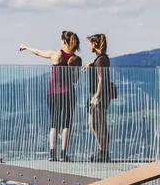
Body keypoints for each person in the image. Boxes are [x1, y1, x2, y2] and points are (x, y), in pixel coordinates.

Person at [19, 31, 82, 161]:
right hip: (68, 93)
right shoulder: (75, 59)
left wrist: (26, 47)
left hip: (53, 93)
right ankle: (64, 155)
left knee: (54, 123)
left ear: (64, 41)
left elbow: (38, 52)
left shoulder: (56, 53)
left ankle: (52, 154)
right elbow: (75, 79)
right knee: (66, 124)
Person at [86, 33, 112, 162]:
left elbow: (101, 79)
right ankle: (102, 151)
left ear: (94, 44)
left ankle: (103, 152)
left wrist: (97, 96)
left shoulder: (101, 59)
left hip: (99, 96)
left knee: (97, 124)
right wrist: (92, 65)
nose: (89, 46)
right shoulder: (101, 59)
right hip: (100, 95)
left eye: (90, 43)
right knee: (96, 124)